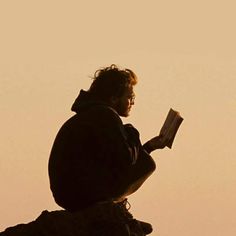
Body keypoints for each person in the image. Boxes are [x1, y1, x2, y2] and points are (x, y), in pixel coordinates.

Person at [48, 64, 169, 235]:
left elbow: (113, 158)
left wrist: (149, 147)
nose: (132, 102)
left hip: (69, 194)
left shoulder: (91, 115)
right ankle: (115, 213)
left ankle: (119, 214)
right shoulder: (105, 115)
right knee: (148, 164)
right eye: (129, 97)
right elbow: (125, 159)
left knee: (145, 159)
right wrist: (133, 133)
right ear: (113, 98)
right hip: (83, 194)